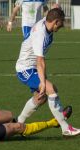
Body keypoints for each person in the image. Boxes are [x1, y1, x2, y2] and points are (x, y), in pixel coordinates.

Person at [15, 8, 80, 136]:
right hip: (25, 68)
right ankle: (65, 128)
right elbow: (40, 61)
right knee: (51, 89)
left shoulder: (47, 23)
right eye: (61, 22)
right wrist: (44, 84)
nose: (63, 25)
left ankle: (18, 122)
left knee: (41, 98)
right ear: (55, 22)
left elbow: (50, 13)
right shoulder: (40, 34)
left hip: (32, 67)